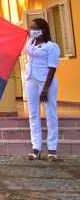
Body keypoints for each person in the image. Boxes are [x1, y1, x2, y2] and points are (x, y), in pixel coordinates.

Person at [23, 17, 61, 161]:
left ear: (43, 30)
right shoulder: (30, 42)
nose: (32, 30)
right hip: (30, 80)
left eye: (35, 28)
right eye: (31, 28)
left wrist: (45, 89)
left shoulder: (51, 46)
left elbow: (52, 68)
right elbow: (19, 51)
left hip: (46, 82)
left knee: (50, 114)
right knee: (33, 114)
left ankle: (52, 149)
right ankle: (36, 148)